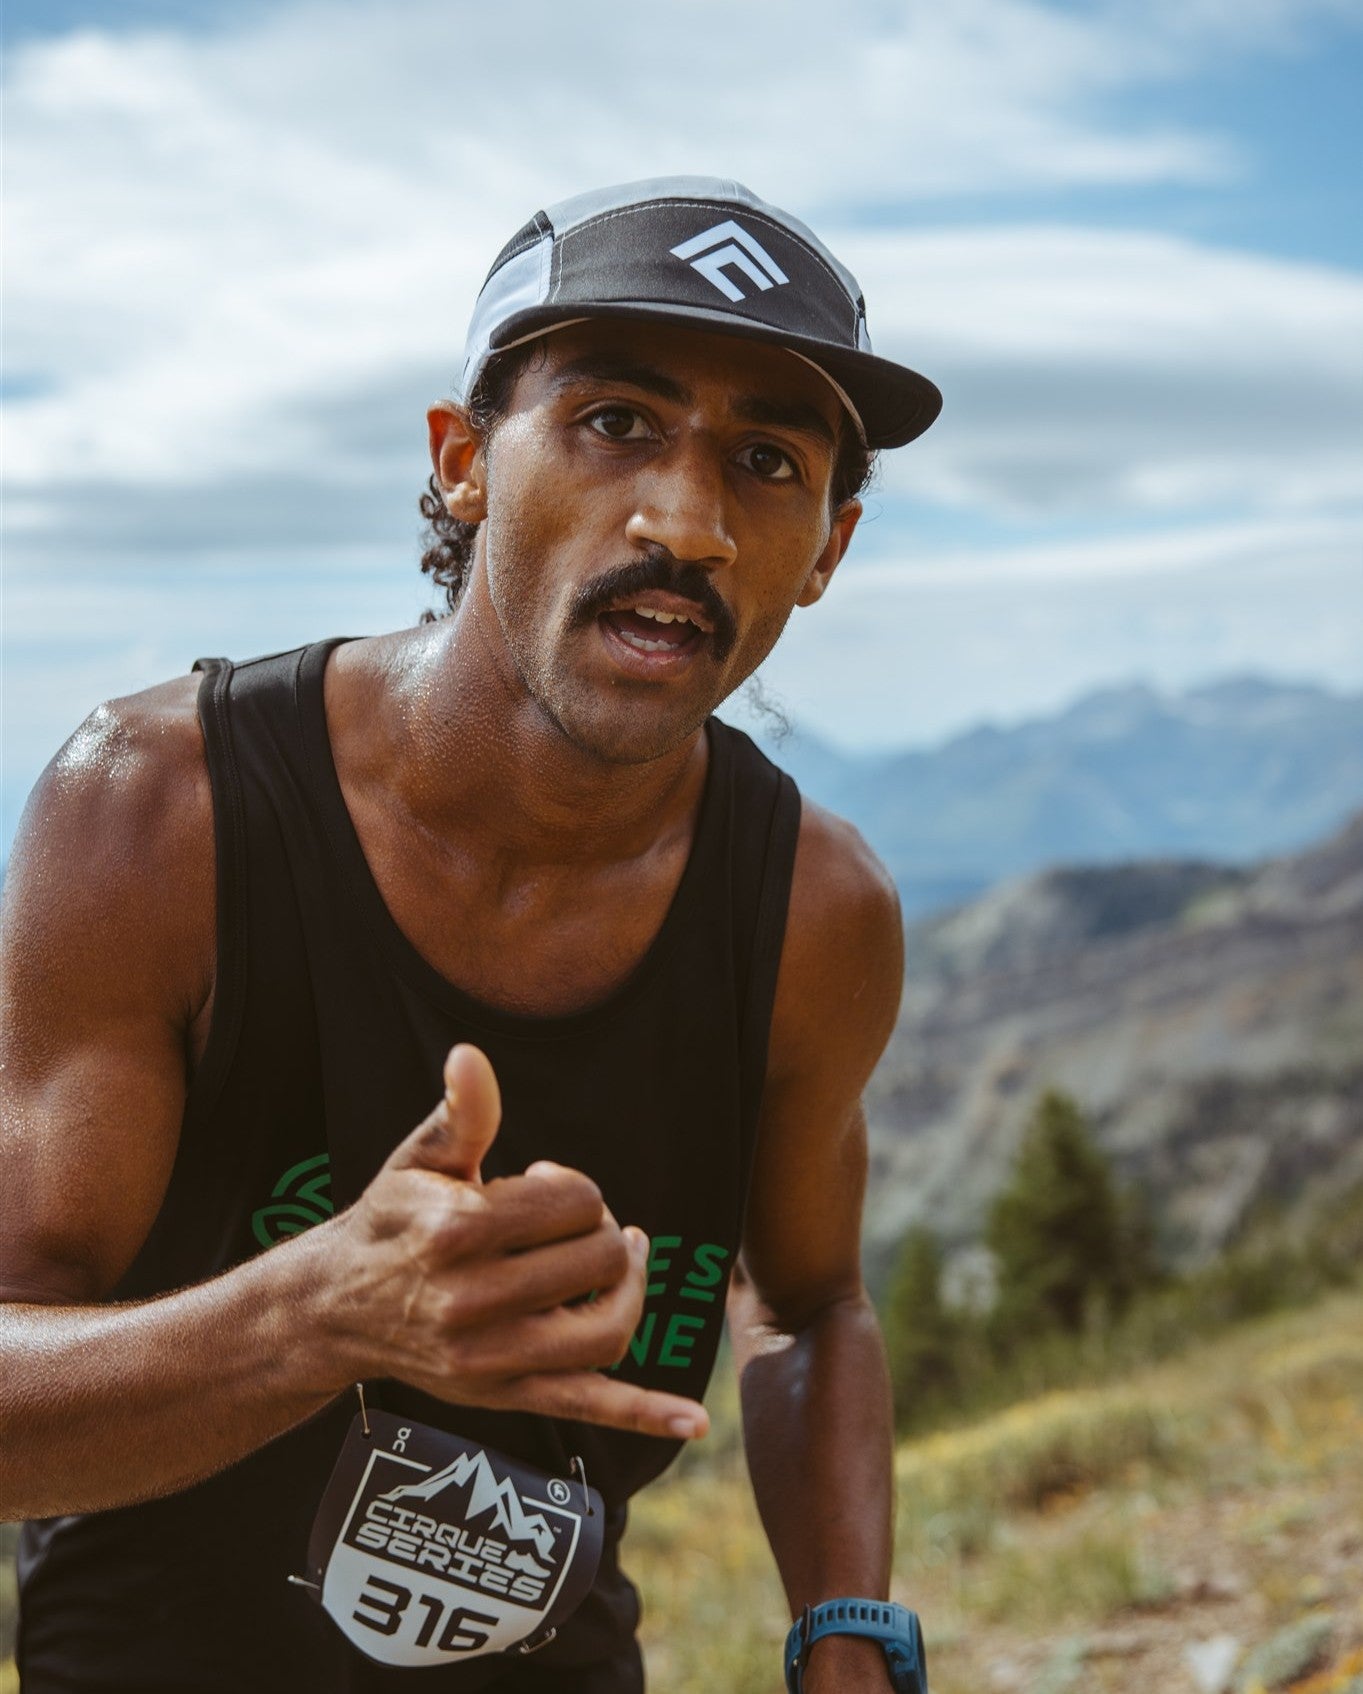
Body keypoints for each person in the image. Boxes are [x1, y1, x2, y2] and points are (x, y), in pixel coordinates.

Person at [0, 177, 941, 1692]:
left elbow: (812, 1298)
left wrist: (847, 1627)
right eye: (615, 421)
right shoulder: (162, 814)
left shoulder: (816, 912)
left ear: (822, 551)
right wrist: (318, 1313)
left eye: (766, 463)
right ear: (462, 467)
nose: (685, 520)